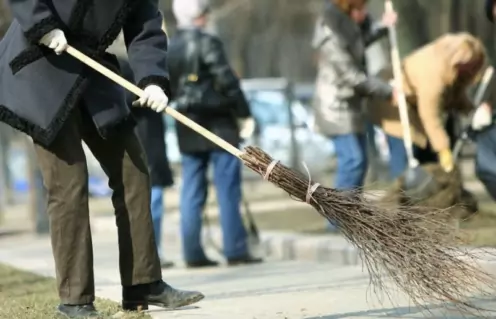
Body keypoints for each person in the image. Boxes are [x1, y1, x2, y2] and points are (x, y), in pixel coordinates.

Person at [0, 1, 204, 317]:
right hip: (41, 64)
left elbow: (146, 25)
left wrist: (152, 78)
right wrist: (43, 24)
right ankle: (75, 300)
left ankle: (143, 283)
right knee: (69, 185)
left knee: (133, 170)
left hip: (90, 68)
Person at [168, 0, 261, 268]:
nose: (208, 16)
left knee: (192, 190)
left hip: (186, 123)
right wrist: (244, 113)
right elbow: (228, 82)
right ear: (199, 15)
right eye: (205, 11)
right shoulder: (209, 42)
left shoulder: (169, 47)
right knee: (228, 187)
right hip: (219, 123)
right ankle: (235, 249)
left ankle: (192, 252)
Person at [311, 0, 397, 231]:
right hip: (336, 106)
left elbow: (360, 44)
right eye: (360, 10)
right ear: (348, 9)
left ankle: (350, 218)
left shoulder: (348, 27)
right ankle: (337, 222)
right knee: (353, 159)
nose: (364, 14)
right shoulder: (330, 33)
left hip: (351, 105)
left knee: (360, 162)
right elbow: (351, 75)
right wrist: (387, 91)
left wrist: (382, 28)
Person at [368, 32, 486, 174]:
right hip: (393, 102)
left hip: (413, 104)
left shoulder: (452, 68)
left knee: (427, 151)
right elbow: (430, 115)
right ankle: (401, 191)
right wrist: (443, 149)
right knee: (407, 152)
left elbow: (455, 96)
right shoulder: (433, 72)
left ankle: (425, 191)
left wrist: (472, 111)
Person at [118, 54, 175, 269]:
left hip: (150, 142)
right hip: (140, 144)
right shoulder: (124, 67)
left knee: (153, 200)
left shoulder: (148, 67)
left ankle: (153, 250)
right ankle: (149, 253)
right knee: (149, 202)